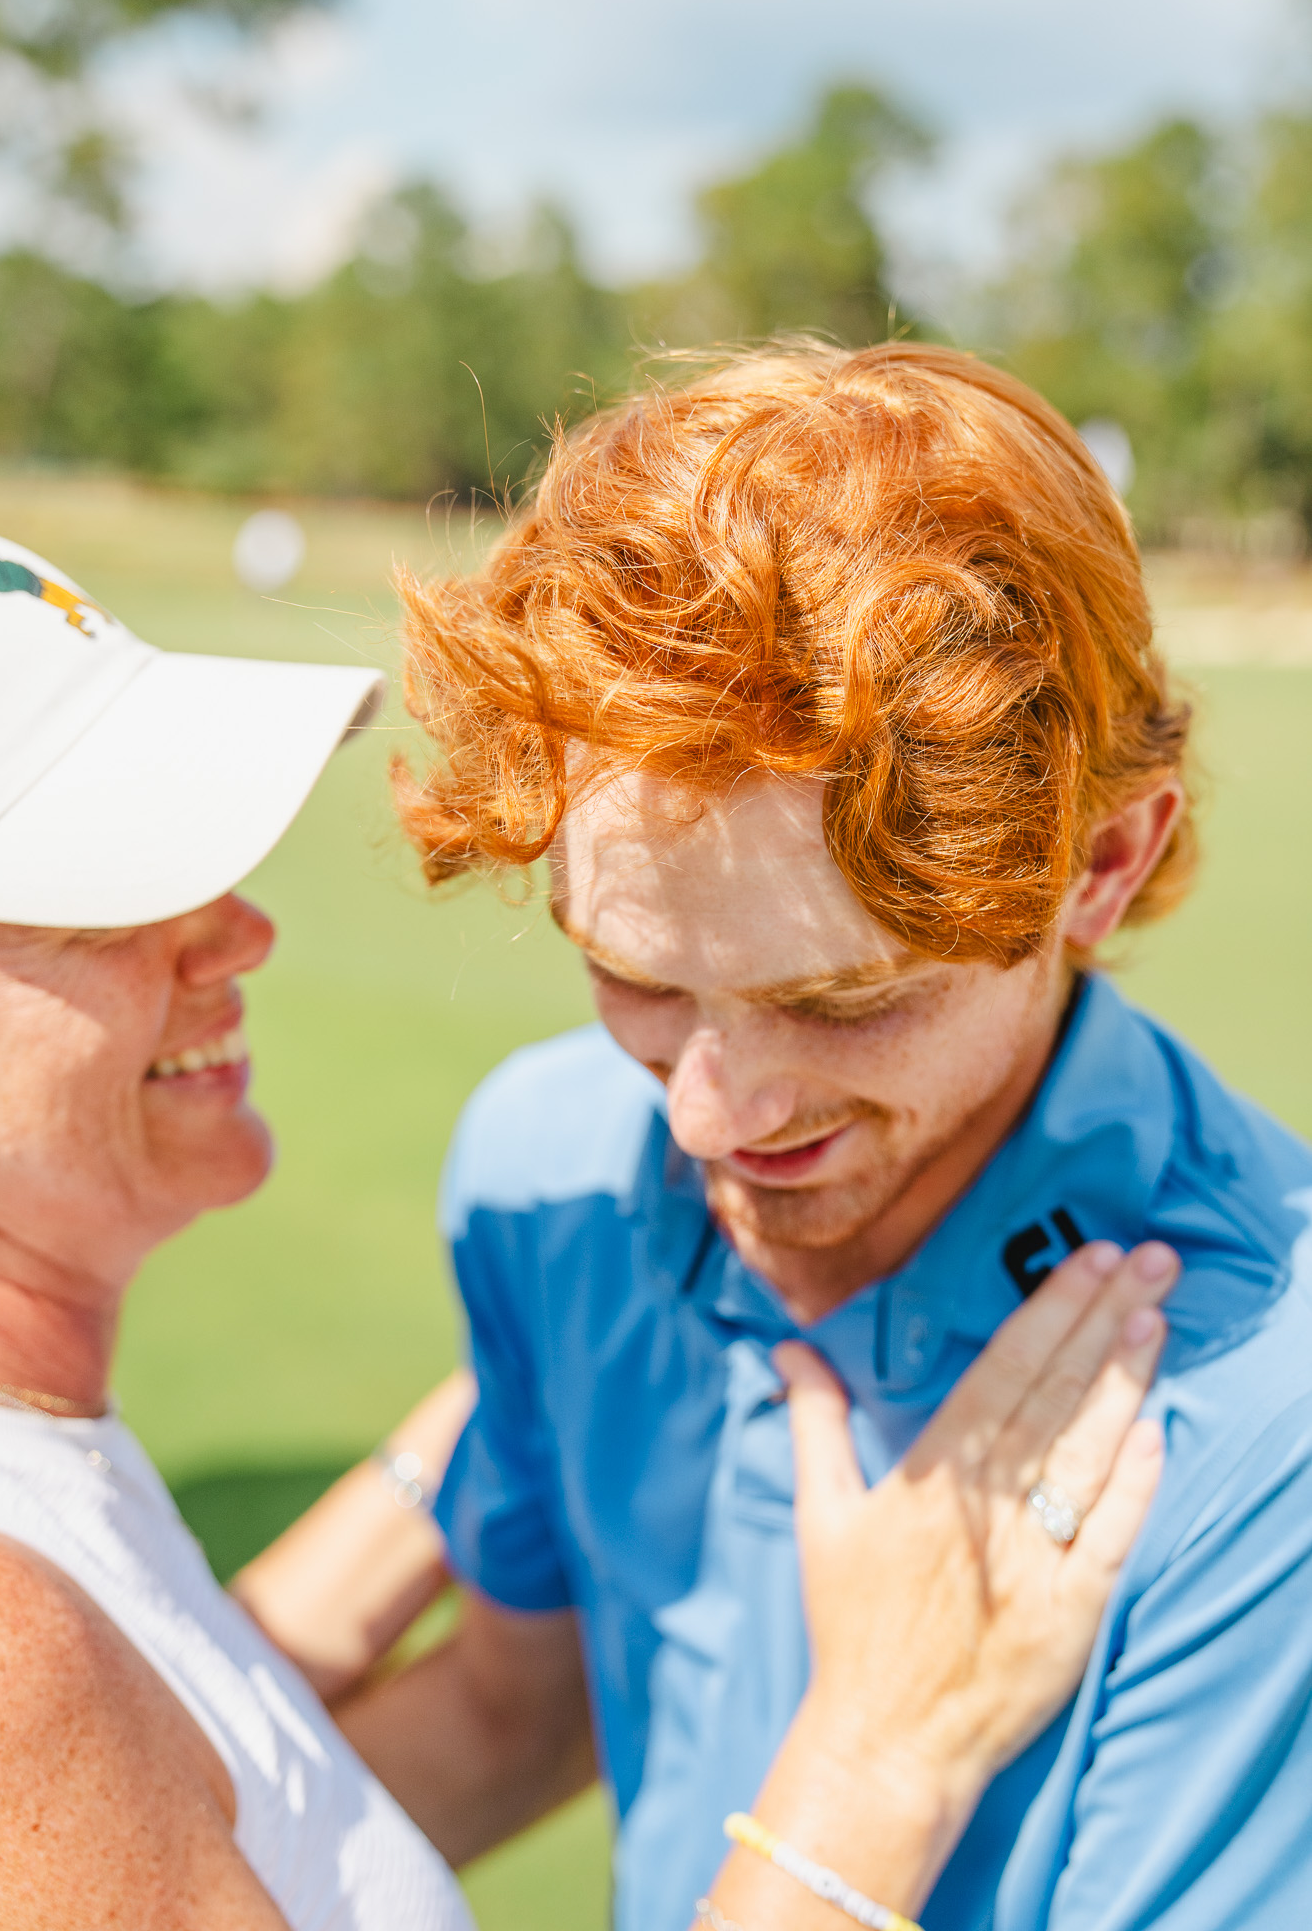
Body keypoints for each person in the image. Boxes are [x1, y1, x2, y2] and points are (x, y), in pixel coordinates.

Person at [0, 510, 1172, 1930]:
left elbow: (201, 1772)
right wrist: (879, 1764)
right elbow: (26, 1725)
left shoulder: (26, 1512)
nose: (239, 933)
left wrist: (508, 1412)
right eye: (106, 896)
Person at [344, 342, 1312, 1931]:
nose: (708, 1117)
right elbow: (512, 1718)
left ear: (1105, 861)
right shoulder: (550, 1171)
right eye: (633, 973)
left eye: (848, 1000)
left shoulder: (1262, 1427)